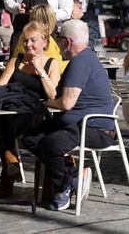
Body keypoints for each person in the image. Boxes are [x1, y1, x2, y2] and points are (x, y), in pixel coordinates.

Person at [23, 19, 115, 211]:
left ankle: (63, 188)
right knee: (31, 138)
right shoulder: (80, 60)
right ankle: (73, 175)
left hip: (95, 129)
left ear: (67, 41)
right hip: (78, 124)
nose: (57, 43)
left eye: (58, 38)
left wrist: (46, 103)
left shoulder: (81, 63)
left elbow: (66, 103)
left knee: (51, 144)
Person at [0, 21, 60, 198]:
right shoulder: (17, 60)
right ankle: (10, 161)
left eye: (33, 40)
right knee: (3, 118)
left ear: (45, 41)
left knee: (4, 124)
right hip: (10, 110)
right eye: (25, 41)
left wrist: (40, 70)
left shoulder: (51, 64)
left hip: (36, 114)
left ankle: (8, 169)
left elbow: (52, 94)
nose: (28, 44)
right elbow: (1, 87)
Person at [13, 3, 67, 73]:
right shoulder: (44, 39)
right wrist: (71, 63)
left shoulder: (24, 35)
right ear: (50, 20)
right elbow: (54, 67)